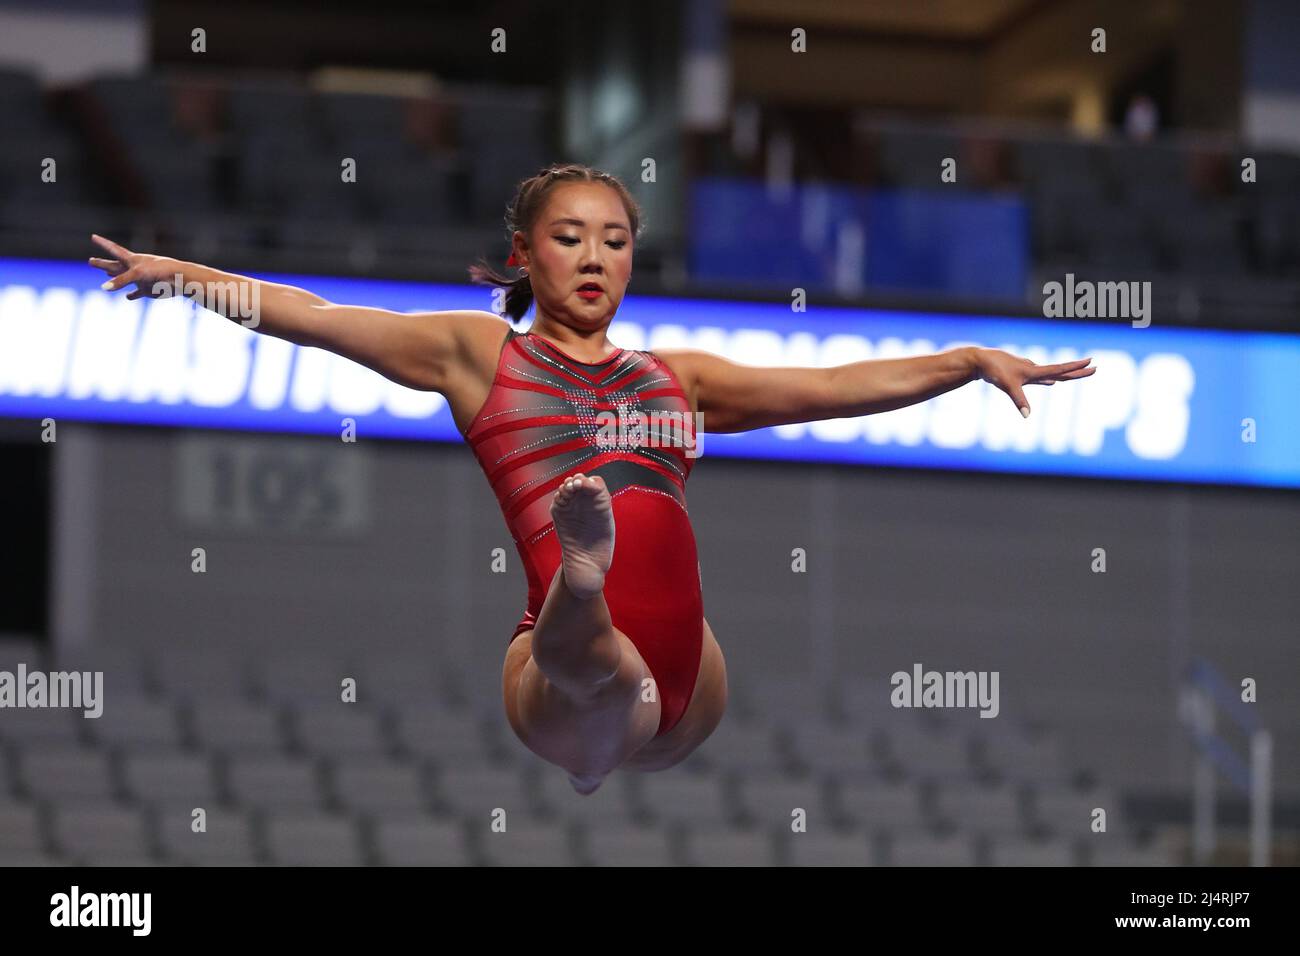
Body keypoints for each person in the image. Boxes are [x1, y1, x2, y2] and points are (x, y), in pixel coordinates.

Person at [88, 163, 1095, 794]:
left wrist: (963, 361)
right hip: (562, 677)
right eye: (569, 237)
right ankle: (581, 589)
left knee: (636, 666)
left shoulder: (677, 377)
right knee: (599, 657)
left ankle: (598, 620)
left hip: (686, 676)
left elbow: (831, 385)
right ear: (526, 252)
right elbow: (311, 313)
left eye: (614, 240)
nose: (594, 256)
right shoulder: (479, 355)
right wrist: (178, 273)